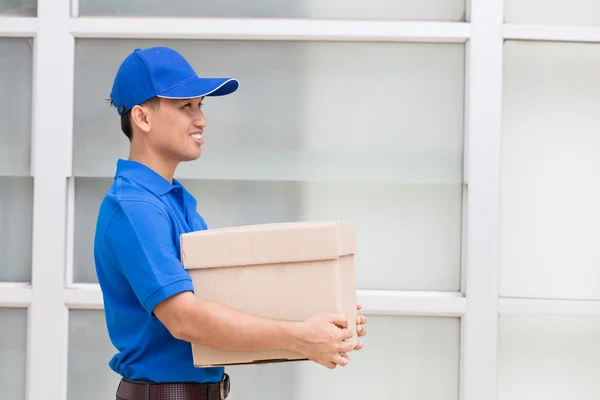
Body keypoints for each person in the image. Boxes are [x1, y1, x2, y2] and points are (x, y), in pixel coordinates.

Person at [93, 46, 368, 400]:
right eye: (185, 106)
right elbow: (186, 320)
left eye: (201, 106)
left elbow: (222, 307)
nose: (201, 120)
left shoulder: (173, 201)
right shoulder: (134, 208)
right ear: (143, 119)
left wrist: (324, 321)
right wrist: (300, 335)